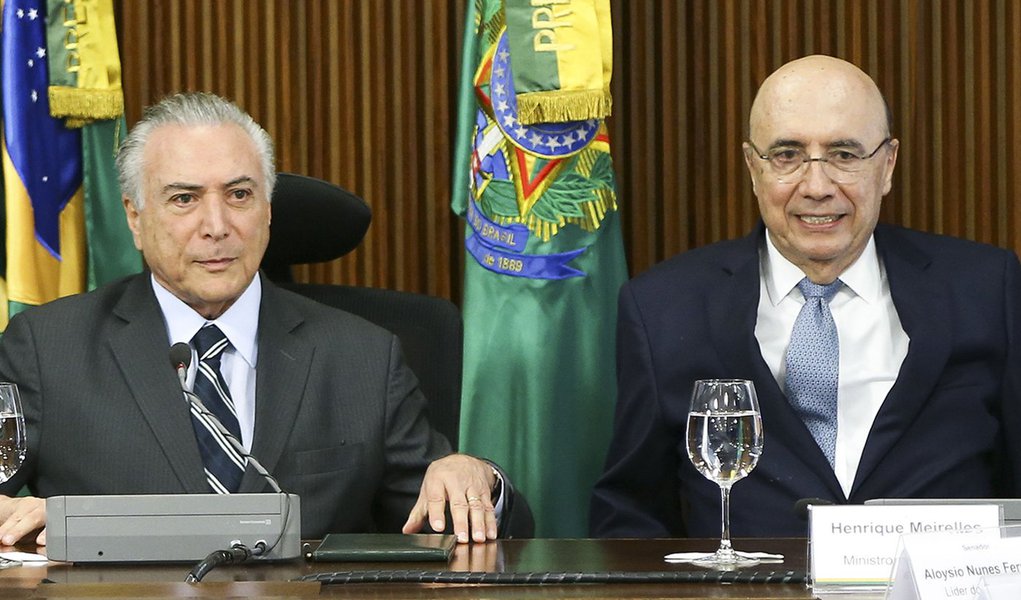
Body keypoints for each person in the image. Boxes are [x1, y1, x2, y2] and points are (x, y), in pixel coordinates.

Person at [0, 92, 517, 547]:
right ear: (135, 216)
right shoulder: (48, 349)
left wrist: (477, 480)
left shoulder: (363, 356)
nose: (218, 226)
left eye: (239, 194)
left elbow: (447, 525)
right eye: (185, 199)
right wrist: (54, 527)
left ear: (268, 208)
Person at [590, 55, 1021, 537]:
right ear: (753, 168)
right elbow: (629, 513)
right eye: (787, 155)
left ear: (887, 165)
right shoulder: (664, 309)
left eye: (844, 154)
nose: (817, 187)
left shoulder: (984, 289)